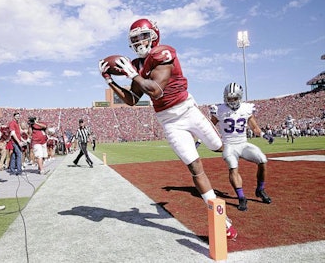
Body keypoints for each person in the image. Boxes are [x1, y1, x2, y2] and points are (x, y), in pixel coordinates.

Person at [98, 18, 237, 239]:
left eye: (142, 36)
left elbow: (155, 91)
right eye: (134, 38)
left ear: (154, 35)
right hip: (169, 121)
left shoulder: (163, 53)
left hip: (187, 110)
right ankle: (223, 222)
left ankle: (236, 156)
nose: (138, 41)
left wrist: (133, 75)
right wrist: (109, 81)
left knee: (219, 146)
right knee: (195, 167)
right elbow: (133, 99)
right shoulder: (138, 65)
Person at [210, 82, 273, 211]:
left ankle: (260, 190)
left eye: (235, 98)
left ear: (240, 97)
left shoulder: (246, 108)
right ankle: (241, 198)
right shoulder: (219, 109)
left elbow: (254, 127)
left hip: (243, 144)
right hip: (229, 145)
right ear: (225, 97)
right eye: (229, 98)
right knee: (233, 167)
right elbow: (210, 127)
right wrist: (204, 140)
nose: (232, 101)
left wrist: (264, 135)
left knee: (263, 160)